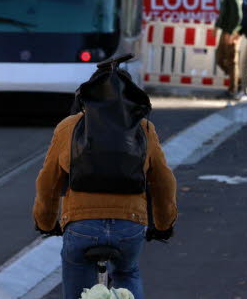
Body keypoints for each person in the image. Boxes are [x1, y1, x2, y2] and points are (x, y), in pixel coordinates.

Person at [33, 74, 177, 299]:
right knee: (127, 272)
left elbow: (48, 181)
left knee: (76, 273)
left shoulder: (69, 126)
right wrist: (163, 224)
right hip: (129, 224)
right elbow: (163, 181)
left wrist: (46, 222)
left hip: (81, 225)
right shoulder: (144, 128)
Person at [213, 0, 243, 97]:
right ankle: (238, 81)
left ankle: (233, 90)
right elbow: (223, 14)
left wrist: (231, 33)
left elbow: (238, 16)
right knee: (220, 58)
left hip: (232, 32)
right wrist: (217, 26)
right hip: (225, 30)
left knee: (231, 61)